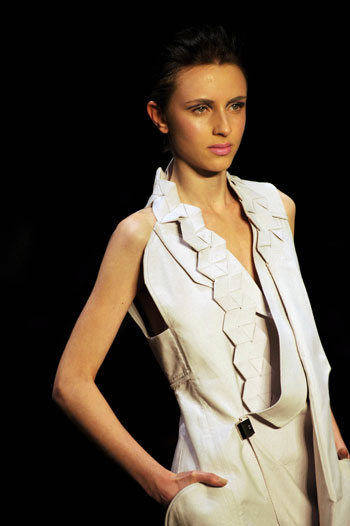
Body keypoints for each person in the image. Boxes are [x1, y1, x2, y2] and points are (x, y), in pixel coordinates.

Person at [52, 24, 349, 525]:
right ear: (159, 116)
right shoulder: (140, 236)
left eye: (236, 105)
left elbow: (287, 334)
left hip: (319, 463)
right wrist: (160, 483)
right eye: (200, 108)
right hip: (224, 485)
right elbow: (71, 382)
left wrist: (327, 419)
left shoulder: (278, 208)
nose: (224, 127)